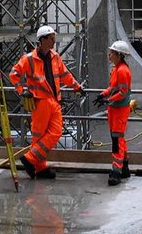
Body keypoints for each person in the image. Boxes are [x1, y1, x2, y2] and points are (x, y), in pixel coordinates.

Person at [9, 25, 85, 179]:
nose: (53, 42)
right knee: (39, 135)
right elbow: (14, 73)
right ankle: (40, 167)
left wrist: (77, 86)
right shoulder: (29, 59)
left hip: (53, 100)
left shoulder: (55, 57)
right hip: (40, 102)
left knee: (55, 132)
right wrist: (21, 90)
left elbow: (65, 75)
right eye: (51, 39)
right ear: (42, 40)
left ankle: (30, 159)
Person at [93, 40, 132, 186]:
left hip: (119, 110)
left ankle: (116, 172)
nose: (109, 55)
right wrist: (103, 95)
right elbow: (112, 87)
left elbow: (123, 92)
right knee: (118, 138)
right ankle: (125, 168)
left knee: (117, 141)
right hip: (115, 109)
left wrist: (108, 100)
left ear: (118, 55)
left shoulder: (122, 71)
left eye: (112, 53)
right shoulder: (117, 69)